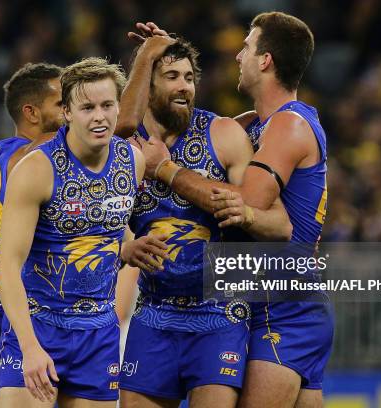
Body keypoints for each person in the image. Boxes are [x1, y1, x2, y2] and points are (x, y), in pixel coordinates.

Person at [133, 13, 334, 408]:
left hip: (281, 305)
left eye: (246, 46)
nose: (238, 55)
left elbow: (248, 201)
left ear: (265, 60)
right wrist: (151, 63)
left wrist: (166, 169)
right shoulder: (262, 123)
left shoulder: (288, 126)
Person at [113, 36, 292, 408]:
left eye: (190, 77)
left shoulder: (224, 134)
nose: (184, 86)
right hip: (154, 312)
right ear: (148, 86)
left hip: (219, 313)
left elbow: (279, 225)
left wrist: (244, 213)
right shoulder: (125, 148)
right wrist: (125, 248)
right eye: (172, 76)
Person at [0, 57, 167, 408]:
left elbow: (105, 229)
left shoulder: (132, 161)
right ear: (68, 113)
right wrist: (29, 347)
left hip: (98, 333)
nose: (99, 116)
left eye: (107, 105)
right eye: (87, 107)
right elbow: (7, 265)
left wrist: (127, 247)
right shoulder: (36, 170)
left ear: (120, 107)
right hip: (39, 327)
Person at [0, 62, 64, 408]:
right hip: (11, 306)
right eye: (62, 102)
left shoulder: (3, 154)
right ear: (31, 112)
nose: (70, 110)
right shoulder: (32, 154)